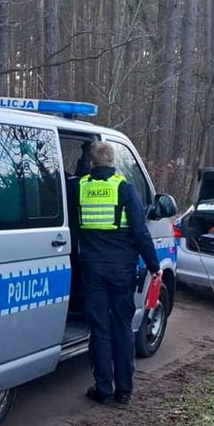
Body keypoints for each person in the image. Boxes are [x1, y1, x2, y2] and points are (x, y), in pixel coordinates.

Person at [71, 141, 161, 406]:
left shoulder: (81, 187)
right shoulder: (124, 188)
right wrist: (154, 265)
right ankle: (124, 391)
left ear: (91, 163)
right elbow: (139, 231)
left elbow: (73, 217)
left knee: (99, 329)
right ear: (113, 164)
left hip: (92, 269)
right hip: (122, 269)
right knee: (122, 327)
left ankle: (103, 390)